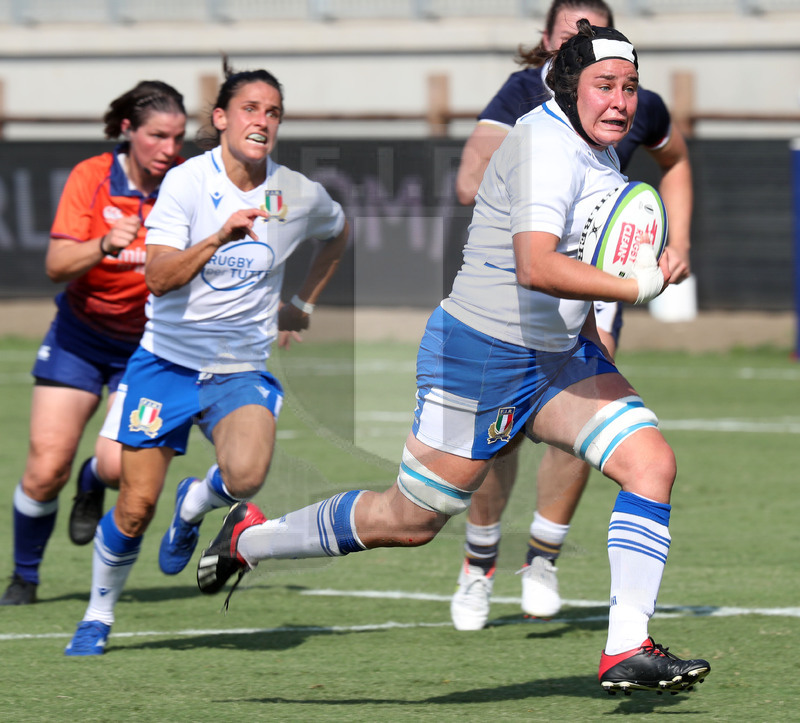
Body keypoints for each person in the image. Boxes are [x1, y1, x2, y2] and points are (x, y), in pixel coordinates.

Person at [196, 23, 710, 694]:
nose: (620, 102)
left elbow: (583, 247)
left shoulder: (598, 145)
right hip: (483, 356)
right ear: (568, 86)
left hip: (555, 356)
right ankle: (249, 540)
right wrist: (633, 284)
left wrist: (599, 318)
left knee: (651, 462)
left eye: (630, 88)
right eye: (604, 86)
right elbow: (536, 266)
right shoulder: (547, 149)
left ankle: (626, 648)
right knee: (407, 520)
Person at [63, 61, 349, 656]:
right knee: (135, 506)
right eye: (250, 108)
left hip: (238, 367)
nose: (262, 121)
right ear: (221, 118)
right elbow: (160, 278)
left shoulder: (294, 193)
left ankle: (194, 503)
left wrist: (301, 302)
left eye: (273, 112)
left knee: (247, 477)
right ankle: (98, 615)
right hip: (164, 364)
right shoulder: (188, 183)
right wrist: (220, 235)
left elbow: (340, 231)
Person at [450, 0, 694, 631]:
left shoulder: (628, 100)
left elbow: (676, 163)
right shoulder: (526, 106)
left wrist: (677, 242)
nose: (586, 45)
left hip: (594, 288)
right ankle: (480, 564)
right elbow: (469, 183)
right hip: (514, 294)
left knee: (604, 427)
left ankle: (543, 559)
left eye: (595, 34)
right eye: (571, 37)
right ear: (548, 47)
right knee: (492, 439)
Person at [0, 81, 187, 606]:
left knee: (113, 467)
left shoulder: (187, 184)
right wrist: (106, 242)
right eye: (156, 136)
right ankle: (25, 577)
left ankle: (91, 479)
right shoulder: (92, 177)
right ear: (128, 131)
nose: (168, 149)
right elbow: (57, 266)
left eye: (176, 137)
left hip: (148, 349)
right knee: (43, 469)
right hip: (79, 338)